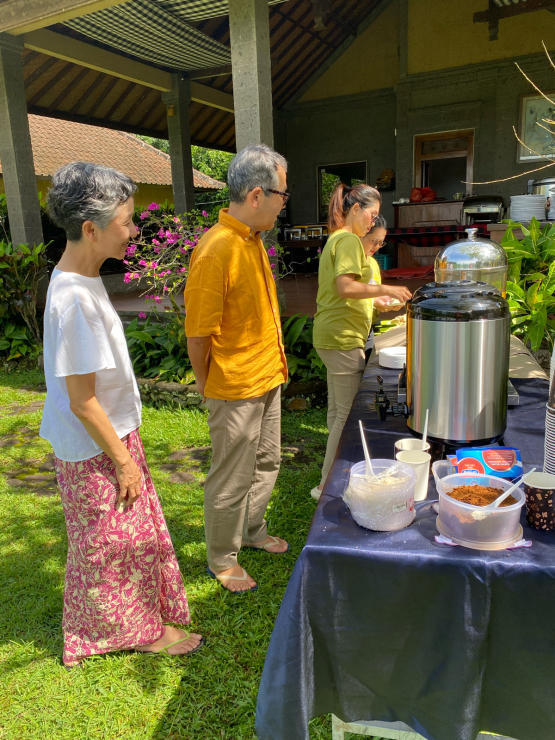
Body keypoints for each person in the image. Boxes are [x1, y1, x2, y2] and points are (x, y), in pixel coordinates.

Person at [40, 162, 202, 667]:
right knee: (108, 547)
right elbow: (83, 400)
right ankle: (127, 632)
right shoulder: (73, 299)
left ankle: (140, 620)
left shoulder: (80, 280)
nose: (134, 232)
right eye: (127, 222)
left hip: (104, 436)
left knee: (122, 538)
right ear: (91, 228)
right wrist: (124, 461)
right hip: (93, 443)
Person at [184, 144, 289, 594]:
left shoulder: (251, 241)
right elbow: (198, 334)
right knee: (231, 475)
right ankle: (222, 558)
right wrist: (211, 386)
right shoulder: (217, 249)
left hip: (268, 376)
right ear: (256, 195)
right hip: (235, 388)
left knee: (267, 462)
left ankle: (251, 530)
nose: (285, 203)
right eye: (282, 194)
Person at [311, 184, 412, 501]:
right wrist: (392, 290)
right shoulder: (349, 239)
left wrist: (381, 299)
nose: (373, 221)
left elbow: (350, 293)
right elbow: (345, 287)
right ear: (355, 209)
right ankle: (327, 486)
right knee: (345, 417)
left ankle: (329, 475)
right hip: (341, 338)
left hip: (334, 335)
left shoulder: (339, 239)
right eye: (370, 214)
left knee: (336, 412)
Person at [360, 216, 404, 362]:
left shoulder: (372, 263)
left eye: (381, 243)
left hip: (369, 326)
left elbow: (374, 293)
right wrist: (374, 301)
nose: (377, 246)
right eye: (374, 241)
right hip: (352, 329)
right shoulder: (351, 262)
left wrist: (385, 302)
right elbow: (348, 293)